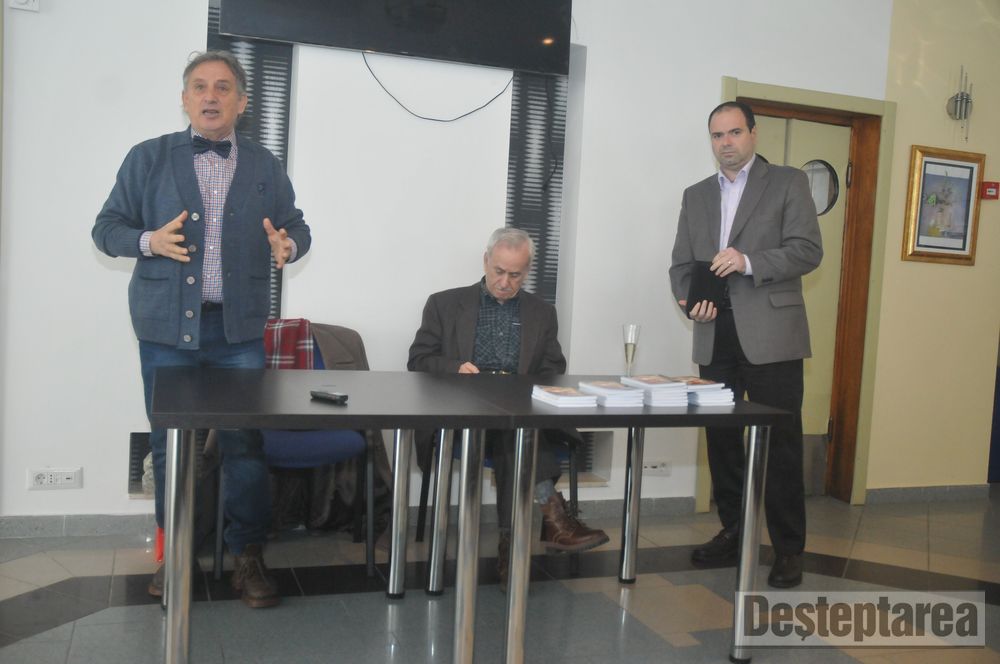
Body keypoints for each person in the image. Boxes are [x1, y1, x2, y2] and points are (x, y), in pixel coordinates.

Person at [93, 50, 311, 608]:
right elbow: (106, 228)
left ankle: (248, 555)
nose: (210, 96)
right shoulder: (147, 158)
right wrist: (148, 241)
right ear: (185, 98)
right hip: (166, 329)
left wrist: (289, 244)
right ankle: (178, 554)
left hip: (237, 333)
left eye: (222, 87)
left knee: (244, 443)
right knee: (169, 445)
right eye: (199, 86)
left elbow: (296, 226)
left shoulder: (264, 164)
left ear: (242, 101)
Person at [668, 101, 822, 588]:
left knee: (780, 443)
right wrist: (689, 302)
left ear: (753, 134)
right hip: (715, 333)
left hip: (773, 334)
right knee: (722, 442)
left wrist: (748, 261)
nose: (726, 143)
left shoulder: (788, 182)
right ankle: (734, 531)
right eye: (717, 135)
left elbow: (808, 250)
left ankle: (788, 548)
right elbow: (681, 265)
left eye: (734, 132)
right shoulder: (695, 195)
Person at [408, 227, 609, 590]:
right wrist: (454, 368)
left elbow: (553, 369)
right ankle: (546, 524)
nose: (504, 282)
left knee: (514, 431)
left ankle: (516, 541)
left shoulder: (542, 313)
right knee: (514, 434)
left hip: (521, 413)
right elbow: (419, 359)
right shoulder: (444, 304)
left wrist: (523, 390)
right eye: (498, 271)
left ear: (527, 271)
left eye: (514, 275)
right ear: (486, 261)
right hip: (463, 414)